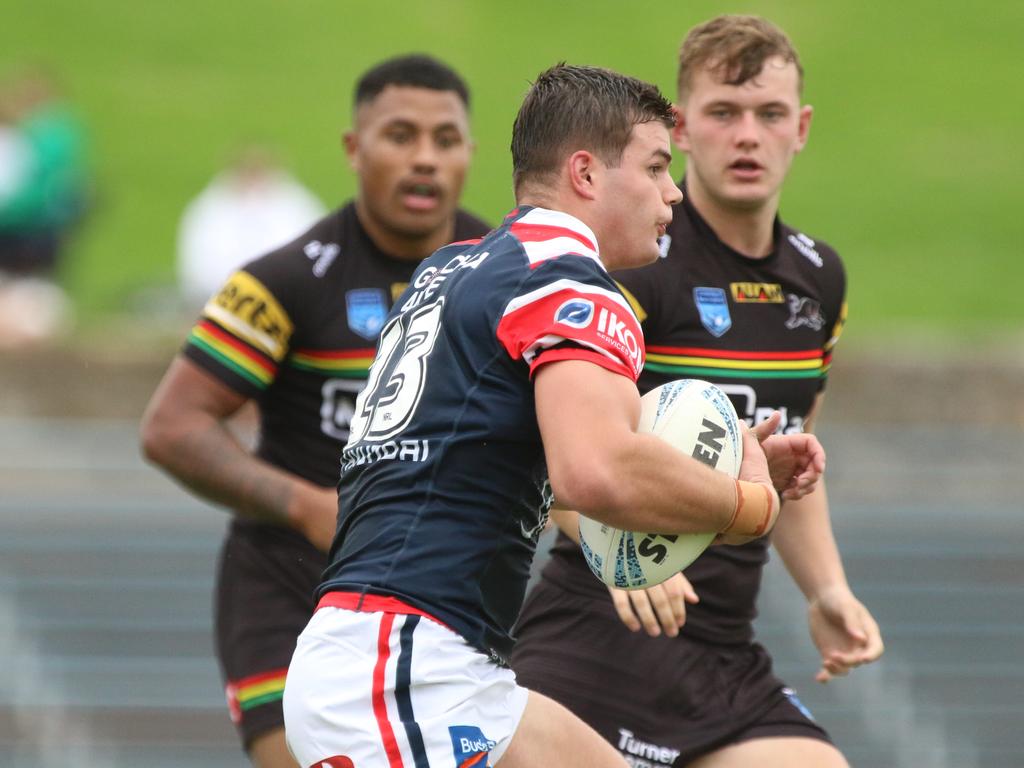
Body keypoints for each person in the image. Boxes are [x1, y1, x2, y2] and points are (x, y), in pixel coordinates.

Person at [283, 62, 826, 768]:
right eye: (658, 167)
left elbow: (526, 461)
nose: (673, 194)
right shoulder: (568, 283)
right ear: (586, 174)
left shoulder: (453, 270)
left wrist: (723, 461)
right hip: (407, 674)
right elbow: (597, 472)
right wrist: (747, 508)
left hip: (413, 664)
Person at [511, 15, 885, 768]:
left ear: (801, 127)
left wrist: (827, 590)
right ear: (680, 128)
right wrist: (612, 544)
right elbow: (535, 448)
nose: (747, 135)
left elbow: (786, 461)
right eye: (723, 112)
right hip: (595, 633)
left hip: (720, 651)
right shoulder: (629, 261)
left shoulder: (819, 279)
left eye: (770, 114)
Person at [140, 53, 489, 768]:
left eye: (445, 139)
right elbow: (172, 427)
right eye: (400, 135)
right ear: (354, 149)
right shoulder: (286, 280)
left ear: (470, 153)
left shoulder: (508, 276)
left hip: (451, 603)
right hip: (289, 597)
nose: (424, 159)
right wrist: (306, 506)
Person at [176, 144, 326, 310]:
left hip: (288, 303)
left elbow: (315, 257)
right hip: (222, 301)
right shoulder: (209, 209)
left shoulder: (297, 205)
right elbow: (200, 265)